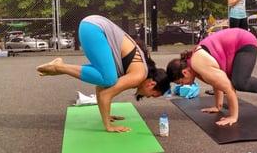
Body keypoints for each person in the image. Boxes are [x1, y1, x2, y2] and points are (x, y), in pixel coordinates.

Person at [37, 15, 170, 132]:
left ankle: (58, 67)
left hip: (91, 26)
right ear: (152, 84)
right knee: (108, 79)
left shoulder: (137, 70)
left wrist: (107, 115)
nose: (148, 97)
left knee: (105, 78)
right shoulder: (138, 75)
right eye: (153, 95)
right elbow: (106, 94)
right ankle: (59, 67)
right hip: (94, 29)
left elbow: (101, 89)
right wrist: (108, 126)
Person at [166, 28, 257, 126]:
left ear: (185, 72)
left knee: (239, 82)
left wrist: (232, 117)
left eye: (181, 82)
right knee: (234, 79)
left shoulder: (198, 64)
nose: (183, 85)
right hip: (234, 44)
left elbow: (229, 89)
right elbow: (215, 82)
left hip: (244, 42)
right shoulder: (193, 66)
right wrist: (217, 106)